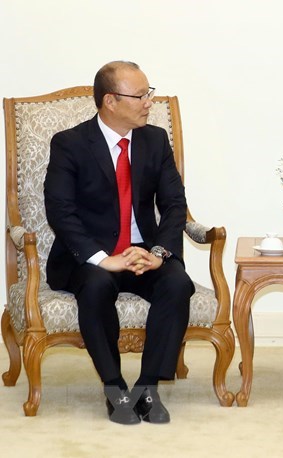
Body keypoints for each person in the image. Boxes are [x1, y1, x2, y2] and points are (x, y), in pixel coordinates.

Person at [44, 61, 194, 425]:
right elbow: (60, 211)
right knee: (95, 287)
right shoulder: (70, 144)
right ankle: (114, 388)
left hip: (143, 251)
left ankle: (147, 388)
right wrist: (101, 258)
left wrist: (158, 253)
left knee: (177, 283)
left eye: (150, 93)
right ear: (110, 101)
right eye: (141, 95)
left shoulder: (155, 139)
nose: (149, 102)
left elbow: (174, 203)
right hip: (92, 257)